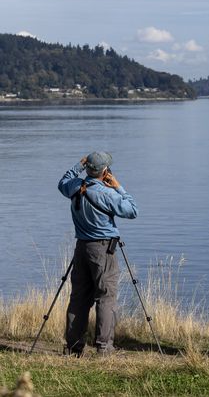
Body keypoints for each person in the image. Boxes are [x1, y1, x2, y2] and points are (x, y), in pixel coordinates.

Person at [57, 152, 138, 356]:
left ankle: (74, 347)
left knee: (79, 298)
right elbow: (132, 210)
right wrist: (118, 186)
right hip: (103, 249)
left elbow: (62, 182)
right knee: (105, 297)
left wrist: (78, 165)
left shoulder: (74, 187)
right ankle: (104, 347)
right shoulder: (107, 194)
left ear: (88, 168)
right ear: (105, 171)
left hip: (81, 248)